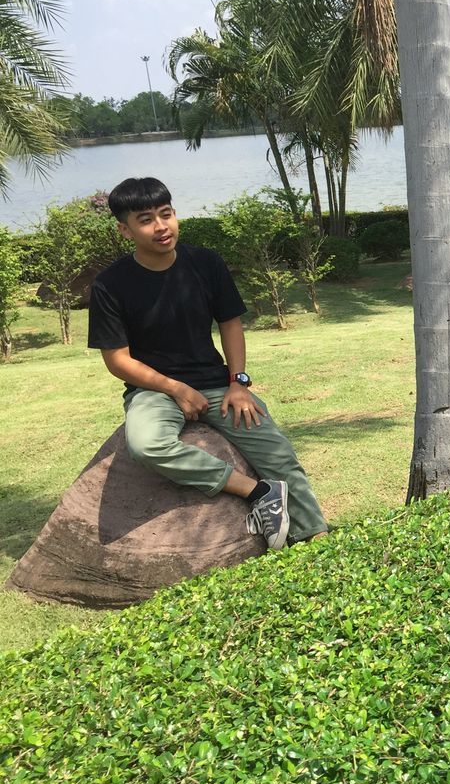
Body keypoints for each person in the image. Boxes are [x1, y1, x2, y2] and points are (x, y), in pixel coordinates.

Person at [88, 177, 329, 550]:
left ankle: (316, 538)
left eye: (166, 214)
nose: (161, 226)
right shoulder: (110, 284)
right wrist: (174, 388)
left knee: (277, 451)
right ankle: (258, 491)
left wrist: (238, 383)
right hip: (154, 391)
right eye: (146, 219)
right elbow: (117, 360)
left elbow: (230, 324)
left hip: (219, 385)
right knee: (146, 444)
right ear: (125, 229)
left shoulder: (205, 263)